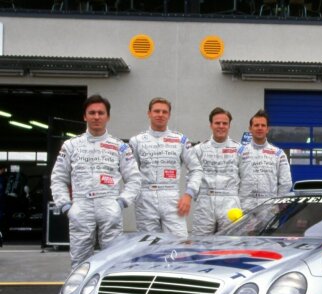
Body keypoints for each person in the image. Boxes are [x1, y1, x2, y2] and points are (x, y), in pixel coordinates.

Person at [50, 94, 142, 269]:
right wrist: (66, 207)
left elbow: (134, 179)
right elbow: (58, 178)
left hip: (109, 205)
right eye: (92, 113)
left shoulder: (120, 146)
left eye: (101, 113)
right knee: (79, 261)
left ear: (108, 116)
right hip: (80, 206)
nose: (96, 117)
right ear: (85, 116)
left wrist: (121, 203)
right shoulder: (71, 145)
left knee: (113, 260)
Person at [129, 97, 202, 238]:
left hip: (171, 198)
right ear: (149, 113)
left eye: (164, 112)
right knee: (148, 246)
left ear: (169, 115)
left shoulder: (180, 140)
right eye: (156, 111)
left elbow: (196, 169)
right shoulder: (137, 141)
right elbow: (131, 173)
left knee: (179, 243)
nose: (160, 114)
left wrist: (188, 195)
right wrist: (135, 195)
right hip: (145, 198)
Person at [191, 107, 241, 235]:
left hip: (230, 202)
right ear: (211, 125)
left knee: (230, 244)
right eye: (217, 123)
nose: (221, 126)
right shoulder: (199, 149)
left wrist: (237, 198)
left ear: (229, 126)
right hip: (205, 202)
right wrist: (201, 198)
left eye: (225, 123)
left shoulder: (239, 149)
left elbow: (246, 178)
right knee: (200, 244)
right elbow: (191, 177)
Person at [238, 109, 292, 211]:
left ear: (267, 129)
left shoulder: (278, 154)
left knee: (269, 228)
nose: (260, 128)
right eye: (256, 125)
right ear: (250, 128)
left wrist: (277, 203)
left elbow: (286, 182)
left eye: (263, 125)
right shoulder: (239, 152)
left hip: (269, 207)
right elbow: (233, 180)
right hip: (244, 207)